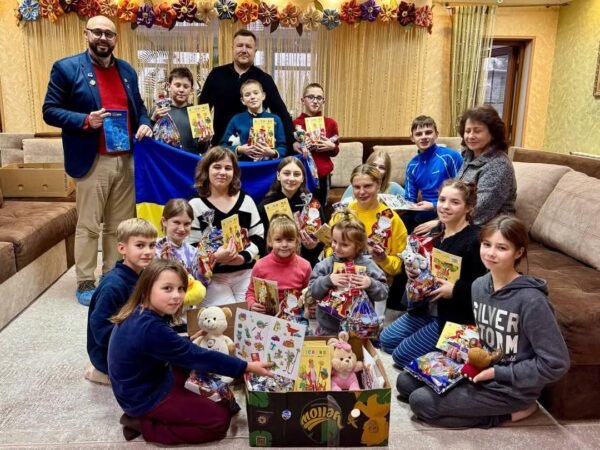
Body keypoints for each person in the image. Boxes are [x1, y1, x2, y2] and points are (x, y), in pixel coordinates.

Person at [396, 215, 570, 428]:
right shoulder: (479, 286)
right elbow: (487, 338)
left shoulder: (532, 300)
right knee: (405, 382)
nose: (490, 253)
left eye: (502, 248)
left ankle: (515, 412)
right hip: (481, 370)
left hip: (510, 387)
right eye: (486, 245)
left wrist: (498, 372)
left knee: (421, 402)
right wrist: (462, 350)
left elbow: (556, 363)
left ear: (519, 253)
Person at [42, 15, 153, 306]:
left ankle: (112, 277)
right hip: (93, 159)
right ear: (86, 34)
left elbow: (139, 107)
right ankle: (85, 281)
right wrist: (85, 120)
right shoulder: (66, 68)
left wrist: (144, 122)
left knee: (120, 226)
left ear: (116, 39)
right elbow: (50, 110)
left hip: (126, 157)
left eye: (109, 34)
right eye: (98, 33)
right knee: (89, 224)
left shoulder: (127, 70)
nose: (103, 39)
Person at [108, 259, 273, 445]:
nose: (177, 296)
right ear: (146, 288)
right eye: (167, 289)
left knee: (220, 397)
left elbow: (174, 347)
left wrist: (187, 344)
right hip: (144, 398)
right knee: (218, 421)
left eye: (181, 289)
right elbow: (195, 355)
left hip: (151, 380)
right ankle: (144, 425)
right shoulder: (149, 328)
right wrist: (247, 366)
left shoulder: (141, 312)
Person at [379, 180, 486, 367]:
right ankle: (430, 339)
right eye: (442, 200)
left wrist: (456, 290)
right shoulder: (437, 235)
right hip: (427, 308)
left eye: (455, 202)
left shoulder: (474, 241)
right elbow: (428, 271)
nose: (445, 206)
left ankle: (452, 349)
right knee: (386, 340)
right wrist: (414, 274)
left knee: (400, 356)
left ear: (468, 207)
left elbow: (484, 288)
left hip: (453, 316)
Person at [415, 105, 516, 235]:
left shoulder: (499, 165)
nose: (470, 136)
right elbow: (454, 195)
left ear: (493, 133)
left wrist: (439, 224)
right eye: (467, 131)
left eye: (477, 131)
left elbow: (480, 210)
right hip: (458, 221)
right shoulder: (468, 156)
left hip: (490, 231)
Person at [188, 147, 265, 305]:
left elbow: (258, 237)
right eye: (217, 167)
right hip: (213, 277)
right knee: (225, 318)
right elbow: (191, 247)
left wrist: (241, 258)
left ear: (234, 172)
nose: (222, 172)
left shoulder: (246, 201)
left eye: (228, 168)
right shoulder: (195, 205)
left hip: (246, 271)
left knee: (253, 314)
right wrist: (215, 257)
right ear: (206, 170)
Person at [85, 218, 157, 385]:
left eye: (152, 245)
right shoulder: (113, 286)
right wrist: (138, 340)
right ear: (122, 248)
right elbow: (99, 328)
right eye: (140, 245)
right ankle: (101, 374)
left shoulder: (142, 275)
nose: (148, 251)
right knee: (154, 378)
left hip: (133, 339)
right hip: (107, 353)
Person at [199, 29, 294, 147]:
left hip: (257, 150)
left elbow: (280, 112)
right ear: (232, 48)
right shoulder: (216, 74)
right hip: (221, 146)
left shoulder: (265, 79)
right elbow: (202, 107)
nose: (244, 50)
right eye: (239, 46)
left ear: (255, 51)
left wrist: (293, 140)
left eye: (248, 46)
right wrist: (201, 141)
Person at [310, 212, 389, 336]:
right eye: (334, 241)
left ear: (358, 246)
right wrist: (328, 280)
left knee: (355, 355)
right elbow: (312, 292)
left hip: (360, 328)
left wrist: (370, 284)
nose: (336, 247)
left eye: (344, 245)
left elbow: (383, 293)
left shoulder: (368, 265)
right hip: (329, 329)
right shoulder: (325, 265)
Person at [258, 156, 325, 266]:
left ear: (303, 178)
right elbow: (260, 240)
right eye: (287, 173)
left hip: (306, 263)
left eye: (297, 174)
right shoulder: (266, 205)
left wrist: (313, 246)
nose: (292, 178)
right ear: (278, 176)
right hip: (275, 263)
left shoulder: (312, 204)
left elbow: (322, 239)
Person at [246, 214, 312, 323]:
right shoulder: (260, 266)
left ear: (297, 241)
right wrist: (252, 304)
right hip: (267, 319)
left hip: (296, 319)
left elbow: (309, 293)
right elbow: (250, 292)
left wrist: (309, 305)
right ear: (270, 241)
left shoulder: (305, 266)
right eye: (278, 240)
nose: (284, 244)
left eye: (290, 240)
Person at [402, 116, 463, 233]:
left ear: (436, 134)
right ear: (412, 138)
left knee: (419, 219)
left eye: (428, 132)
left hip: (447, 208)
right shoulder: (412, 165)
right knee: (400, 220)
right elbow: (409, 199)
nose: (424, 137)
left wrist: (434, 205)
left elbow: (463, 192)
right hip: (422, 210)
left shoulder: (450, 157)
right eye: (419, 134)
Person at [155, 198, 207, 327]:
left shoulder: (194, 252)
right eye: (176, 222)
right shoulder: (154, 248)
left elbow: (200, 287)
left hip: (186, 318)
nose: (182, 228)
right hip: (160, 318)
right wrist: (162, 266)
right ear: (164, 221)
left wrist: (203, 272)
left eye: (187, 224)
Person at [293, 83, 340, 207]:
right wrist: (296, 145)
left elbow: (335, 151)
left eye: (319, 98)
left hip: (323, 173)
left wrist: (332, 147)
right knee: (301, 207)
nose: (315, 101)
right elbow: (289, 148)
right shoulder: (295, 123)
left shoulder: (330, 123)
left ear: (323, 101)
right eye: (311, 97)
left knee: (321, 207)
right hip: (302, 174)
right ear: (303, 100)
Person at [221, 79, 287, 160]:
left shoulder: (275, 119)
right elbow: (223, 146)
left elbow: (283, 147)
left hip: (269, 167)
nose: (252, 97)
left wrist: (272, 152)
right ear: (242, 101)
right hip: (243, 167)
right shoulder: (236, 119)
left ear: (263, 96)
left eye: (256, 93)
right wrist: (239, 149)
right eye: (247, 95)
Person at [151, 67, 206, 154]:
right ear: (168, 87)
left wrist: (204, 141)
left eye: (186, 86)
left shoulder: (198, 113)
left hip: (189, 163)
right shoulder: (158, 110)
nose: (181, 90)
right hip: (164, 162)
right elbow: (149, 139)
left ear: (191, 90)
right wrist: (152, 120)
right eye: (177, 85)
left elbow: (202, 149)